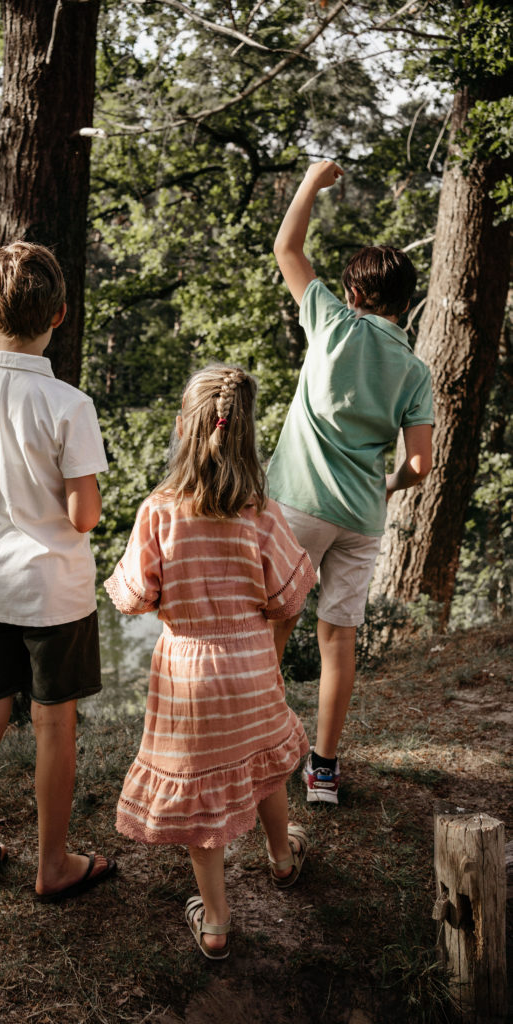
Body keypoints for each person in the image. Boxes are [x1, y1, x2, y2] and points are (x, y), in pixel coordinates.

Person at [104, 364, 317, 960]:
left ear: (181, 429)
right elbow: (289, 595)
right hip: (251, 666)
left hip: (188, 676)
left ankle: (218, 920)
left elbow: (132, 595)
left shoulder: (161, 510)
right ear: (248, 437)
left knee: (202, 800)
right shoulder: (260, 511)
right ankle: (281, 858)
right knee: (264, 763)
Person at [0, 241, 116, 900]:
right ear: (59, 315)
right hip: (53, 592)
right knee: (52, 724)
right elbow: (84, 515)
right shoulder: (69, 405)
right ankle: (52, 864)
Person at [267, 160, 434, 805]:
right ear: (404, 301)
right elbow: (419, 468)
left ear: (354, 293)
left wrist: (312, 180)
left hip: (298, 506)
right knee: (339, 639)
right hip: (362, 517)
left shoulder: (332, 323)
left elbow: (287, 247)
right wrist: (387, 486)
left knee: (274, 627)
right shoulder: (414, 370)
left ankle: (259, 747)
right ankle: (324, 771)